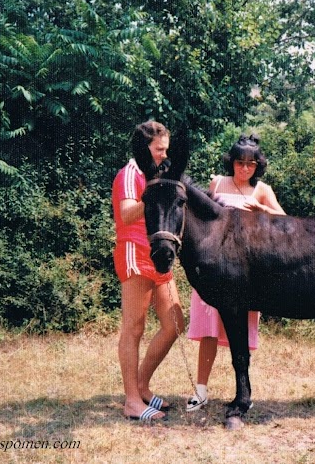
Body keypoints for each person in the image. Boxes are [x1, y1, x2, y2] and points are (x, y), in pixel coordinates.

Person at [186, 134, 285, 411]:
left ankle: (242, 392)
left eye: (250, 164)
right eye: (239, 163)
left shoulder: (262, 190)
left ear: (258, 166)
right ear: (232, 162)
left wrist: (262, 209)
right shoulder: (216, 183)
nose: (244, 169)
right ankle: (201, 391)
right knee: (207, 332)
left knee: (238, 334)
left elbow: (286, 222)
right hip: (210, 267)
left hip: (246, 273)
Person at [112, 120, 185, 421]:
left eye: (166, 150)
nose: (164, 155)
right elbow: (127, 214)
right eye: (159, 150)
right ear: (145, 149)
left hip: (158, 253)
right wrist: (153, 196)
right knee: (134, 328)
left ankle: (142, 385)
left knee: (174, 323)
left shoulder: (162, 173)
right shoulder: (129, 174)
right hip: (134, 251)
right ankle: (131, 401)